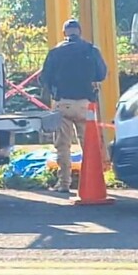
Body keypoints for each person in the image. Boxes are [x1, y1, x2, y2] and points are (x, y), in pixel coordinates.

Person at [39, 19, 108, 193]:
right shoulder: (91, 50)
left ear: (64, 33)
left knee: (63, 146)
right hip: (86, 104)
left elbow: (44, 79)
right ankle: (93, 183)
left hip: (63, 103)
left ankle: (64, 184)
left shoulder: (55, 52)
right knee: (90, 146)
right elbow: (102, 74)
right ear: (80, 31)